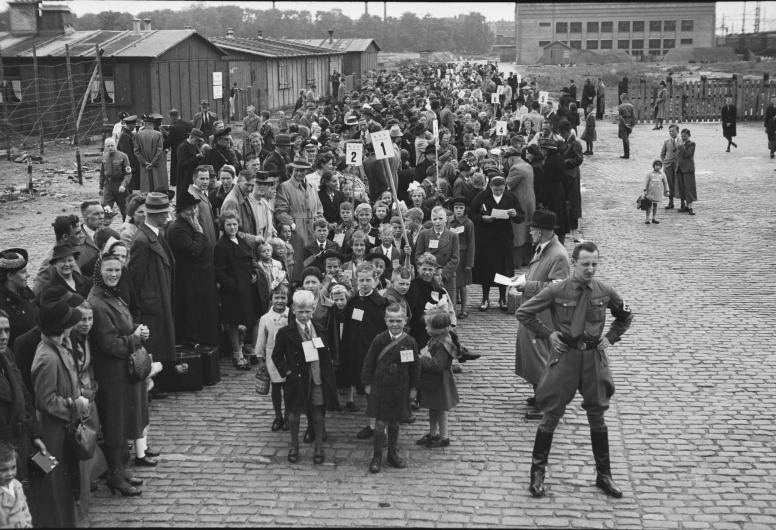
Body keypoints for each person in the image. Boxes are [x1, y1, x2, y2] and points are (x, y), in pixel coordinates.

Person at [517, 241, 633, 499]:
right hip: (566, 357)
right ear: (574, 263)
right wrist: (549, 335)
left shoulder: (604, 291)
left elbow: (626, 315)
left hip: (593, 359)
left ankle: (604, 475)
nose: (590, 269)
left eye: (594, 264)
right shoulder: (558, 290)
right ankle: (537, 474)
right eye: (585, 264)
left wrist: (610, 338)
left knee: (598, 415)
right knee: (551, 414)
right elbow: (524, 313)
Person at [30, 301, 85, 527]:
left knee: (67, 484)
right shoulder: (48, 358)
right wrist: (76, 404)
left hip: (63, 430)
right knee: (56, 487)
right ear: (62, 328)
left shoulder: (59, 347)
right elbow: (45, 401)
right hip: (53, 434)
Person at [513, 209, 570, 418]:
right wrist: (524, 279)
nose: (529, 232)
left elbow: (558, 288)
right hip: (533, 311)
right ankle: (539, 394)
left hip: (543, 314)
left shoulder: (559, 255)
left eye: (532, 229)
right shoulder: (544, 248)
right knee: (531, 355)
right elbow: (539, 273)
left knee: (541, 357)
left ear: (541, 231)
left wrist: (527, 286)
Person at [272, 289, 336, 465]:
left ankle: (318, 447)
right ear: (293, 310)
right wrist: (288, 373)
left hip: (316, 378)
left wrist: (327, 371)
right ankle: (294, 446)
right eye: (300, 311)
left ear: (313, 309)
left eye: (307, 311)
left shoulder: (320, 328)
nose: (304, 315)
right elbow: (276, 356)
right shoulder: (286, 332)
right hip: (297, 380)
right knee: (294, 415)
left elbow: (326, 352)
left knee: (317, 414)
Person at [0, 309, 47, 524]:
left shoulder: (7, 355)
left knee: (23, 499)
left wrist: (35, 433)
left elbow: (24, 397)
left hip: (22, 440)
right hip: (3, 448)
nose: (3, 336)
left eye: (6, 330)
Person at [361, 303, 419, 474]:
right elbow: (369, 362)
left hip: (400, 388)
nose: (395, 324)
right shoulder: (379, 339)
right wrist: (367, 384)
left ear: (405, 320)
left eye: (398, 320)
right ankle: (377, 456)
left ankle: (392, 454)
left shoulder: (410, 342)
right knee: (380, 423)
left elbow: (415, 367)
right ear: (385, 321)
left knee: (395, 422)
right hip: (380, 388)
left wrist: (414, 388)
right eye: (391, 321)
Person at [340, 262, 388, 438]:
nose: (365, 284)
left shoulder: (381, 304)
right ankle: (371, 424)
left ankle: (377, 426)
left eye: (369, 280)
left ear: (375, 281)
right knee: (366, 390)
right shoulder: (352, 302)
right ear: (356, 281)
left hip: (374, 354)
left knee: (374, 392)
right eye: (362, 280)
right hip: (356, 353)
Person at [127, 192, 176, 364]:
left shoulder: (155, 234)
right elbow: (134, 279)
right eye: (166, 213)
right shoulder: (142, 240)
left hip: (158, 297)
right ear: (156, 215)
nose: (168, 217)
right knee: (153, 346)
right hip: (151, 302)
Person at [167, 191, 219, 347]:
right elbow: (194, 250)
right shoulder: (177, 229)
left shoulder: (193, 223)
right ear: (181, 211)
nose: (194, 211)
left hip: (203, 278)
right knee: (194, 315)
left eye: (195, 208)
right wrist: (198, 233)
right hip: (190, 280)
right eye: (190, 209)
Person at [214, 212, 261, 371]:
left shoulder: (242, 241)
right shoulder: (221, 246)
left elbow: (250, 261)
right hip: (233, 291)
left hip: (248, 288)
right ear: (223, 226)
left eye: (234, 224)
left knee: (254, 319)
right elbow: (219, 272)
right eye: (228, 224)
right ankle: (237, 354)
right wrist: (233, 285)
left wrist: (254, 274)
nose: (232, 227)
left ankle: (254, 350)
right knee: (234, 322)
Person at [470, 175, 524, 311]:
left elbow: (521, 216)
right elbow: (472, 213)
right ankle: (485, 298)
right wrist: (483, 218)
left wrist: (514, 214)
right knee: (486, 268)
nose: (499, 192)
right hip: (486, 237)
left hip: (504, 238)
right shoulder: (482, 196)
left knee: (503, 268)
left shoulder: (511, 197)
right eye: (496, 190)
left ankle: (502, 297)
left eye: (501, 190)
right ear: (490, 187)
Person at [275, 156, 325, 281]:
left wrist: (320, 221)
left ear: (307, 171)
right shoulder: (285, 187)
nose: (299, 173)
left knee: (314, 258)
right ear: (292, 170)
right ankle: (296, 285)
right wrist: (292, 225)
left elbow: (319, 208)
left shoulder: (312, 186)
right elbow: (281, 211)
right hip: (297, 230)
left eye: (302, 170)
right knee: (298, 261)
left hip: (313, 229)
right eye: (296, 170)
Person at [415, 308, 459, 449]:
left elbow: (437, 365)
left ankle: (444, 436)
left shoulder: (442, 344)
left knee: (440, 409)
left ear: (438, 329)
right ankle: (433, 433)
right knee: (433, 407)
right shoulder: (437, 338)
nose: (426, 328)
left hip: (440, 382)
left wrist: (420, 359)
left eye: (428, 326)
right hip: (433, 381)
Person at [255, 284, 290, 432]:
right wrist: (260, 359)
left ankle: (288, 416)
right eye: (277, 297)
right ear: (271, 299)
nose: (280, 301)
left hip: (289, 356)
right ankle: (278, 416)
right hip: (272, 356)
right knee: (276, 387)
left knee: (288, 388)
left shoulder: (292, 315)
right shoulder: (265, 318)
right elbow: (261, 340)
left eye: (283, 297)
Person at [415, 206, 460, 306]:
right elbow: (418, 256)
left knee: (447, 304)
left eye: (440, 219)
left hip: (446, 276)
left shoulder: (453, 236)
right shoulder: (424, 234)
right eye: (434, 219)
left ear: (446, 219)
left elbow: (455, 258)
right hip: (428, 275)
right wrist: (428, 271)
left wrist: (442, 273)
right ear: (431, 219)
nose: (438, 222)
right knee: (428, 305)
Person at [0, 248, 38, 347]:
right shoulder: (2, 303)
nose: (28, 275)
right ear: (10, 276)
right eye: (23, 272)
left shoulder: (25, 291)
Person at [447, 197, 475, 318]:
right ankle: (451, 307)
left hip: (463, 257)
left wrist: (469, 263)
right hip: (451, 255)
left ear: (465, 209)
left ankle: (464, 309)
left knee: (462, 284)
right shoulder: (449, 221)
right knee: (452, 283)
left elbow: (471, 243)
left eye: (461, 208)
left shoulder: (468, 223)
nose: (458, 210)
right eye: (456, 208)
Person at [0, 441, 33, 528]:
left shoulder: (17, 485)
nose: (10, 473)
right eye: (4, 470)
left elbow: (24, 508)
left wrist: (28, 523)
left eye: (13, 467)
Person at [133, 114, 168, 192]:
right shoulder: (158, 134)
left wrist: (145, 163)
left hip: (144, 166)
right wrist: (152, 163)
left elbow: (136, 151)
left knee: (146, 186)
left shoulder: (138, 134)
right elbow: (160, 150)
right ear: (153, 124)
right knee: (157, 184)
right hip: (156, 165)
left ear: (145, 124)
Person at [99, 138, 132, 220]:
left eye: (112, 145)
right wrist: (100, 187)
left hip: (120, 186)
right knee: (105, 209)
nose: (110, 147)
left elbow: (128, 174)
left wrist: (123, 185)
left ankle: (125, 227)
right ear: (105, 147)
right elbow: (102, 173)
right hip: (108, 186)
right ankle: (105, 228)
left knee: (125, 210)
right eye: (108, 146)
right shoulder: (104, 156)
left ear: (115, 145)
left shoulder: (123, 156)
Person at [176, 128, 210, 199]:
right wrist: (196, 157)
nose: (197, 142)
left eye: (198, 141)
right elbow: (182, 164)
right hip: (184, 178)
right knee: (185, 197)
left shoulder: (195, 146)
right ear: (191, 137)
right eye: (196, 140)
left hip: (193, 177)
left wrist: (201, 157)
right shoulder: (182, 147)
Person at [166, 108, 193, 187]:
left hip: (177, 154)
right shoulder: (189, 125)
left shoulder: (174, 127)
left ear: (172, 117)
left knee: (178, 176)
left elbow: (169, 142)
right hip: (189, 152)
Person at [676, 128, 697, 216]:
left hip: (688, 169)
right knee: (682, 188)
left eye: (685, 136)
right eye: (682, 135)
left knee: (689, 188)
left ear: (689, 136)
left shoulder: (692, 144)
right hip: (680, 168)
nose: (683, 137)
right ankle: (685, 205)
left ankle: (690, 207)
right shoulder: (680, 144)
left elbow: (688, 154)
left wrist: (681, 147)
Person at [660, 124, 680, 210]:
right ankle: (670, 202)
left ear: (677, 132)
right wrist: (664, 162)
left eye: (673, 131)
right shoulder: (667, 142)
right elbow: (662, 154)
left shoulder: (681, 141)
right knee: (669, 183)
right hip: (668, 165)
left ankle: (682, 203)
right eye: (670, 131)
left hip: (678, 166)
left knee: (679, 183)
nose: (671, 133)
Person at [643, 160, 669, 224]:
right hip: (650, 192)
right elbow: (646, 182)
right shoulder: (650, 174)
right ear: (653, 166)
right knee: (648, 205)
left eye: (659, 166)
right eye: (656, 165)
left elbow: (666, 183)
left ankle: (654, 218)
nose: (658, 167)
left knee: (655, 205)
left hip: (658, 192)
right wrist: (645, 190)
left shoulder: (662, 174)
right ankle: (647, 218)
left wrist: (667, 190)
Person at [617, 93, 635, 159]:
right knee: (627, 137)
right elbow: (633, 116)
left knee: (625, 139)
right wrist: (633, 124)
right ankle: (627, 153)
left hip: (623, 122)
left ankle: (626, 154)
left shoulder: (620, 106)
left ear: (622, 99)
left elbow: (619, 116)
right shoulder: (631, 106)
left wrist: (623, 123)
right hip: (629, 121)